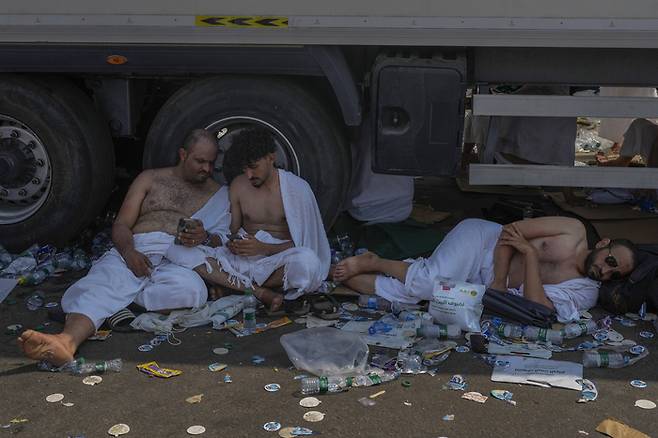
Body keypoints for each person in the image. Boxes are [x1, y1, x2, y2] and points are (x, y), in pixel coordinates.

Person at [17, 129, 231, 366]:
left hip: (179, 258)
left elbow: (224, 240)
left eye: (211, 163)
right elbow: (121, 225)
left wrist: (205, 236)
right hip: (136, 247)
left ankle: (118, 302)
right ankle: (65, 342)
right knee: (97, 285)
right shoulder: (150, 178)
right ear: (183, 154)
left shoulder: (219, 194)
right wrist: (129, 252)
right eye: (200, 161)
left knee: (192, 291)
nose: (207, 169)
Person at [334, 217, 638, 322]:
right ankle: (376, 261)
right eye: (610, 262)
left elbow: (538, 307)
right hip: (482, 242)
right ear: (604, 244)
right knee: (428, 284)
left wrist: (530, 255)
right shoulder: (572, 230)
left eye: (614, 275)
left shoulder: (586, 290)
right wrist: (500, 281)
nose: (605, 271)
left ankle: (338, 277)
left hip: (489, 286)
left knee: (411, 299)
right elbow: (509, 230)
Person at [166, 127, 331, 311]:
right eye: (245, 168)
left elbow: (305, 244)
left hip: (277, 261)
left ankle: (234, 288)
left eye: (253, 167)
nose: (249, 175)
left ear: (271, 157)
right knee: (179, 251)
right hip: (242, 262)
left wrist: (264, 248)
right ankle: (259, 292)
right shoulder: (238, 185)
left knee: (309, 264)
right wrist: (225, 242)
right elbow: (229, 233)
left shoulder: (297, 189)